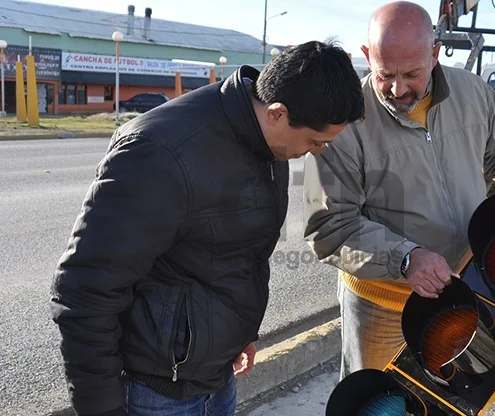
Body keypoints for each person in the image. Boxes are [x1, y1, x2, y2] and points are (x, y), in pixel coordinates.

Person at [49, 39, 365, 416]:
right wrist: (102, 409)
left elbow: (239, 253)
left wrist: (241, 333)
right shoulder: (162, 152)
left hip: (217, 377)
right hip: (157, 392)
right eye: (316, 141)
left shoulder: (267, 139)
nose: (317, 151)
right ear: (277, 113)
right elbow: (85, 287)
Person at [302, 1, 495, 381]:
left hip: (466, 290)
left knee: (452, 397)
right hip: (383, 308)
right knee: (382, 400)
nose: (398, 88)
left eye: (412, 73)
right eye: (384, 74)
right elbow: (328, 226)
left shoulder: (473, 93)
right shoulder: (343, 123)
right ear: (366, 55)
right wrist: (405, 259)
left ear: (436, 54)